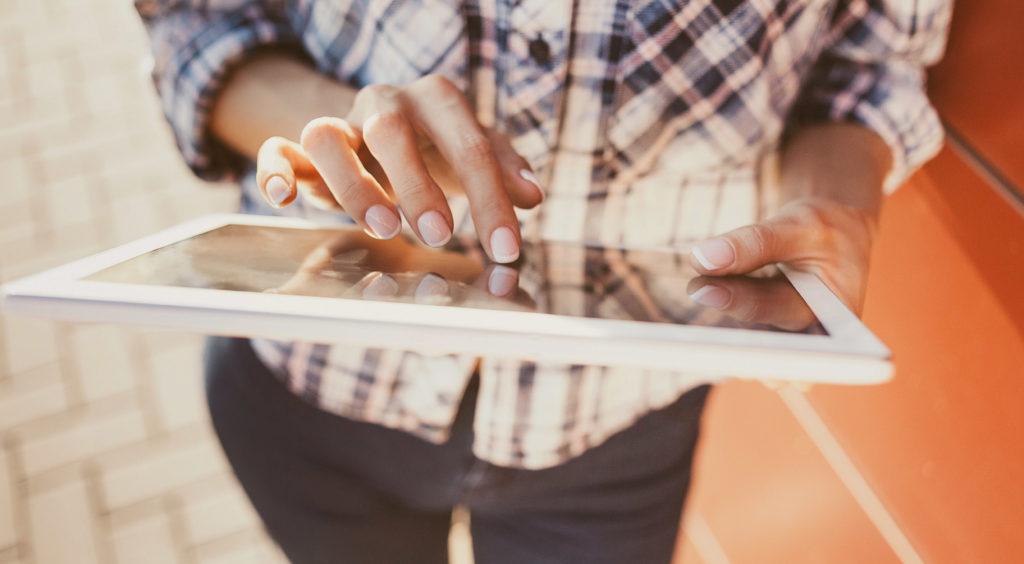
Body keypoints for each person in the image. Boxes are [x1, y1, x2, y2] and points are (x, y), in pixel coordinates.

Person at [135, 1, 950, 562]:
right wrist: (347, 126)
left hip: (617, 430)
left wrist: (835, 205)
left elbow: (871, 60)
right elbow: (196, 18)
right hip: (307, 383)